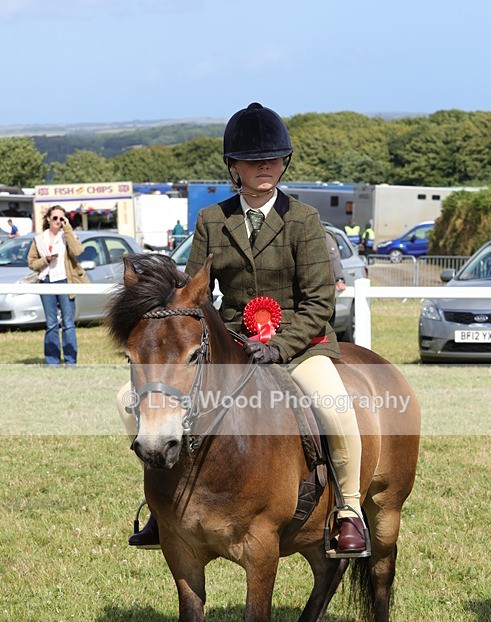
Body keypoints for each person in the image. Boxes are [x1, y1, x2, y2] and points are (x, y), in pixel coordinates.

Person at [127, 102, 367, 555]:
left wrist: (281, 346)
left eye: (273, 159)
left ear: (284, 162)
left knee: (335, 408)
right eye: (254, 160)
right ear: (233, 167)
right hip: (234, 347)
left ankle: (348, 513)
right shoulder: (212, 221)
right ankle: (162, 508)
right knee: (133, 402)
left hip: (301, 346)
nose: (265, 167)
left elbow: (320, 303)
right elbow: (193, 296)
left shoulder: (304, 220)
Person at [28, 205, 89, 366]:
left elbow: (78, 251)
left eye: (61, 218)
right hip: (46, 281)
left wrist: (67, 228)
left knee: (68, 323)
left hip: (64, 281)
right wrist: (45, 260)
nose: (58, 221)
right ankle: (52, 362)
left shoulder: (67, 235)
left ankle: (70, 362)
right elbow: (31, 263)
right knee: (51, 323)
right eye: (55, 218)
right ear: (48, 218)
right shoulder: (39, 239)